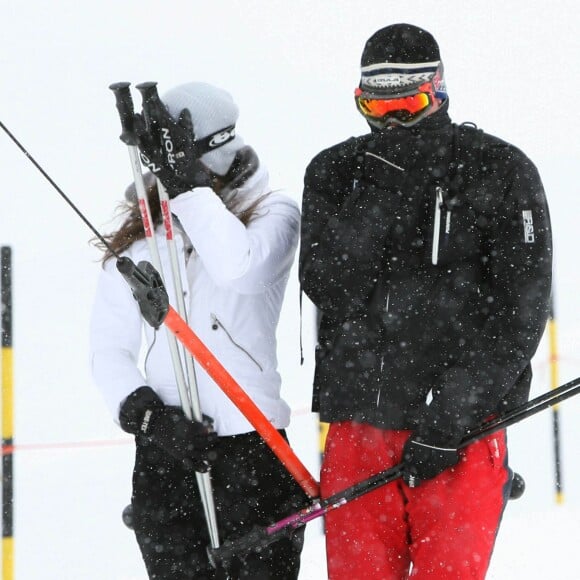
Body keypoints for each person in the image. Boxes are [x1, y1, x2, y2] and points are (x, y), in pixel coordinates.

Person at [299, 23, 552, 579]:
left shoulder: (502, 170)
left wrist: (450, 419)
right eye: (376, 106)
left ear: (437, 92)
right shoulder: (335, 173)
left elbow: (522, 307)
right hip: (359, 429)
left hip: (462, 432)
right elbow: (329, 287)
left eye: (408, 105)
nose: (392, 122)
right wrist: (379, 193)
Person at [90, 81, 306, 579]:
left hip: (253, 447)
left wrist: (188, 189)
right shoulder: (144, 236)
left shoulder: (275, 214)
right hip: (168, 450)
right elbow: (109, 348)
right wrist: (146, 416)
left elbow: (238, 268)